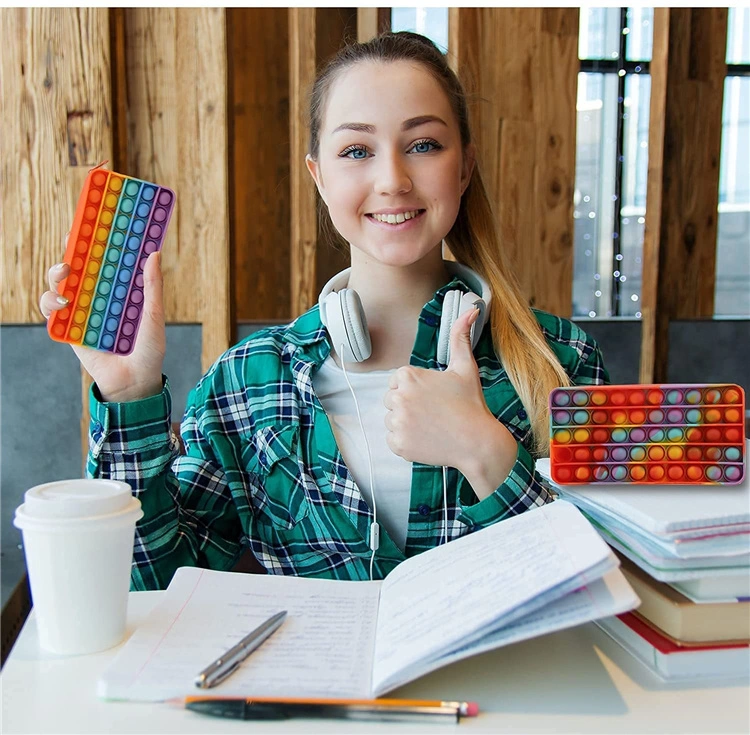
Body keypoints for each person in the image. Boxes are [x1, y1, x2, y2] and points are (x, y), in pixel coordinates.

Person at [39, 31, 608, 590]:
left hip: (498, 687)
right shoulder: (248, 381)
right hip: (309, 687)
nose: (392, 180)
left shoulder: (561, 362)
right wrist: (129, 396)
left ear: (463, 166)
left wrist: (484, 450)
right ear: (319, 176)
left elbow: (602, 591)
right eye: (356, 151)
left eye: (424, 145)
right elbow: (150, 585)